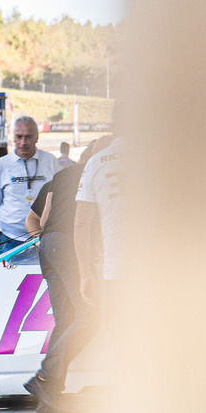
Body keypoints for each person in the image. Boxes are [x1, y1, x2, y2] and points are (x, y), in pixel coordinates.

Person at [21, 138, 110, 413]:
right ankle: (44, 377)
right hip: (69, 245)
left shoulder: (62, 175)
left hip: (47, 245)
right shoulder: (101, 174)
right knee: (90, 316)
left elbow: (43, 220)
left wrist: (48, 240)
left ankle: (50, 393)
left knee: (65, 319)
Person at [0, 116, 59, 259]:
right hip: (9, 241)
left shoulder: (51, 161)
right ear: (13, 138)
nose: (23, 142)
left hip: (43, 240)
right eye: (19, 137)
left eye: (28, 137)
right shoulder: (1, 165)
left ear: (37, 137)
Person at [75, 131, 125, 321]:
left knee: (118, 333)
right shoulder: (156, 154)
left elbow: (81, 223)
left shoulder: (96, 162)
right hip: (155, 267)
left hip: (116, 269)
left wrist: (85, 274)